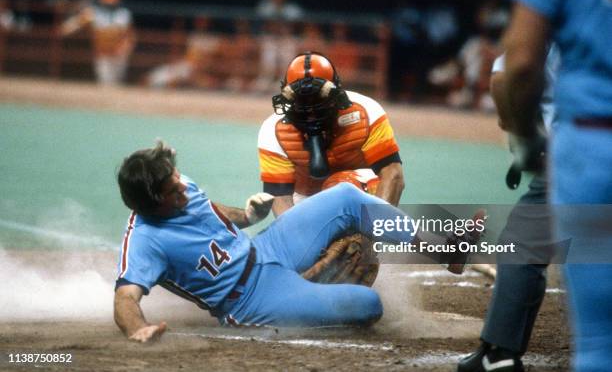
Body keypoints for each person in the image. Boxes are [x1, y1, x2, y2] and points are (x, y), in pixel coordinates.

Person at [114, 141, 483, 342]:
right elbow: (125, 297)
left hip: (266, 247)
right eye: (172, 189)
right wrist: (137, 329)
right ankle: (307, 291)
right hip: (249, 301)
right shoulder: (146, 240)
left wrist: (250, 216)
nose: (182, 185)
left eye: (177, 178)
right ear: (151, 203)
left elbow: (215, 214)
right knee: (368, 305)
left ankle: (444, 249)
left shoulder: (178, 184)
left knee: (347, 198)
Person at [500, 0, 612, 370]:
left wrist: (525, 138)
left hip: (594, 140)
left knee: (601, 343)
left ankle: (499, 352)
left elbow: (521, 62)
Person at [457, 46, 560, 372]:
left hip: (579, 150)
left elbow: (504, 78)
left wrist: (521, 133)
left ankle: (499, 355)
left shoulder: (564, 8)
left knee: (523, 246)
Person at [257, 51, 405, 216]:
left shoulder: (367, 112)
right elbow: (280, 198)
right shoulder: (273, 130)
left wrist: (376, 227)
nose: (311, 110)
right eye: (302, 100)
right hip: (306, 198)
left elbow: (393, 175)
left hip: (360, 189)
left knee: (345, 184)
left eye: (318, 98)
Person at [60, 0, 135, 85]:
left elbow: (130, 35)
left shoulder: (123, 13)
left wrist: (124, 50)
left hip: (118, 54)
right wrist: (64, 29)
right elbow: (76, 23)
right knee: (105, 82)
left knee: (118, 82)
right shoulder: (93, 12)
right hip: (102, 53)